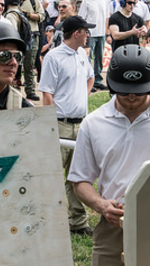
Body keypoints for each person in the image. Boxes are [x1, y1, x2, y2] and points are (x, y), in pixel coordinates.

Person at [68, 44, 150, 265]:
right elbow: (80, 180)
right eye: (124, 90)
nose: (132, 96)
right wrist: (101, 205)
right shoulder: (94, 123)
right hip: (113, 227)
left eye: (139, 89)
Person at [38, 16, 96, 236]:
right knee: (51, 175)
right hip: (60, 124)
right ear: (75, 33)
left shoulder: (82, 54)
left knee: (77, 175)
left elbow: (90, 78)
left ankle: (78, 222)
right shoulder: (53, 57)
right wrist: (51, 122)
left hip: (80, 124)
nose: (88, 35)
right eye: (85, 31)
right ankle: (46, 220)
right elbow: (46, 93)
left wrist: (84, 96)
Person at [79, 0, 109, 91]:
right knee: (88, 57)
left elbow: (107, 17)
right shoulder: (86, 0)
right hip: (90, 34)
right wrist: (84, 32)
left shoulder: (105, 0)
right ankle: (87, 80)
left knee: (99, 58)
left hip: (101, 33)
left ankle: (98, 80)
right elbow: (82, 17)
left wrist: (107, 31)